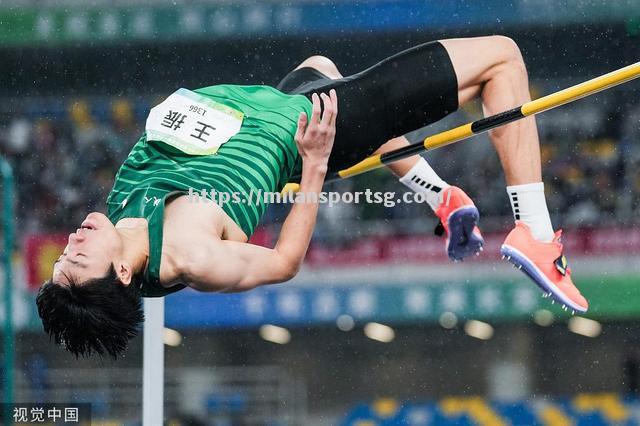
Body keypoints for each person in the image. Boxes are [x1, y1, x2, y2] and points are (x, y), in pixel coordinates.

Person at [36, 35, 588, 359]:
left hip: (273, 106)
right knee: (502, 59)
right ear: (124, 276)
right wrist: (317, 162)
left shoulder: (119, 221)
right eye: (78, 259)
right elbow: (282, 263)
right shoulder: (188, 255)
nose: (73, 242)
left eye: (64, 254)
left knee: (323, 65)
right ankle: (535, 233)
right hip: (311, 127)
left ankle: (440, 195)